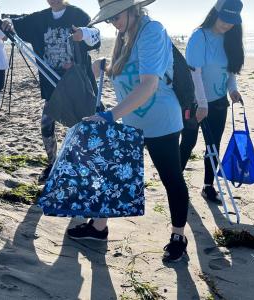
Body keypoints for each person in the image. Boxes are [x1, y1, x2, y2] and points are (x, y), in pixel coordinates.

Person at [67, 0, 190, 263]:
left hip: (161, 122)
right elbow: (129, 72)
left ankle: (178, 236)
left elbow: (148, 85)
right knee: (112, 174)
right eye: (108, 18)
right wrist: (105, 67)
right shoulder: (123, 36)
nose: (113, 22)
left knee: (171, 178)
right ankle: (99, 228)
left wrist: (109, 115)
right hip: (131, 120)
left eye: (116, 15)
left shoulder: (152, 31)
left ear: (132, 8)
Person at [1, 0, 101, 183]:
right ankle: (53, 163)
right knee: (46, 126)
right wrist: (8, 22)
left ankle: (83, 165)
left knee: (81, 125)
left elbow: (96, 37)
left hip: (77, 84)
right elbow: (17, 21)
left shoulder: (78, 15)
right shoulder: (39, 18)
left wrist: (83, 35)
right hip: (51, 86)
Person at [180, 0, 244, 204]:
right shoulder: (199, 36)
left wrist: (233, 90)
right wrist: (202, 103)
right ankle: (176, 182)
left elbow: (231, 70)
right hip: (194, 102)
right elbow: (195, 73)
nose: (227, 24)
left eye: (232, 21)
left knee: (213, 145)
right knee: (188, 142)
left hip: (218, 103)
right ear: (215, 13)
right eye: (224, 19)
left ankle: (208, 186)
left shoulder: (231, 37)